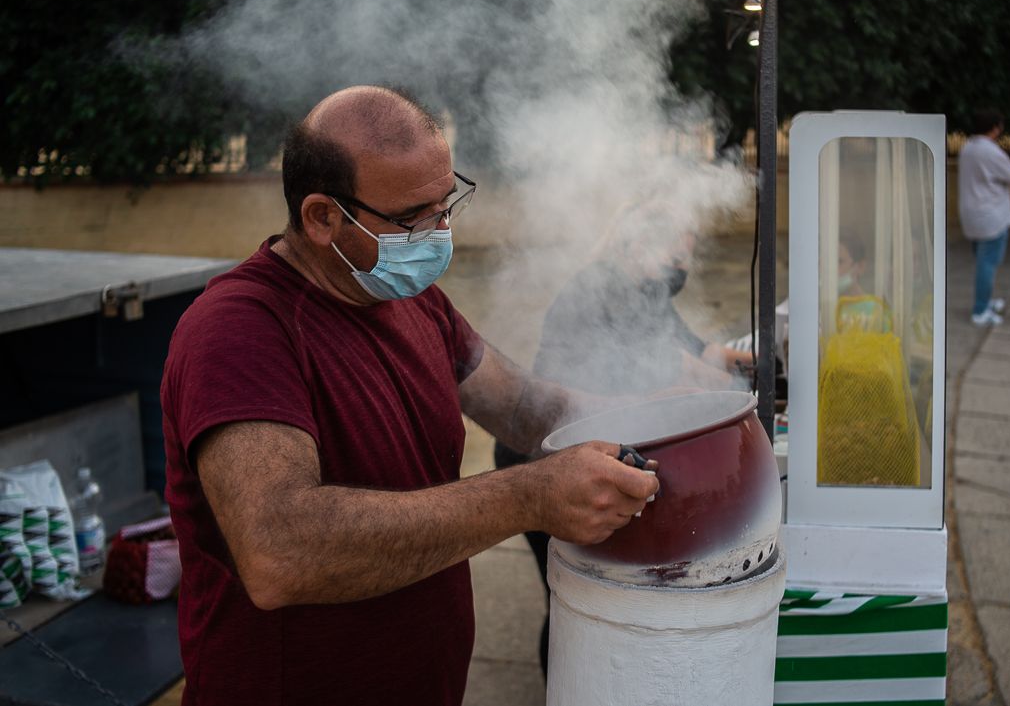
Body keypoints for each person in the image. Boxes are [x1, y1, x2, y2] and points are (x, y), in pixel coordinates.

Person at [159, 85, 660, 706]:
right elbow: (279, 550)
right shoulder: (237, 331)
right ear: (321, 217)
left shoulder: (410, 299)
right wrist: (527, 497)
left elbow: (521, 405)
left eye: (447, 204)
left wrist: (662, 420)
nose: (440, 231)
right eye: (414, 218)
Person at [492, 199, 752, 673]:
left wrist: (754, 359)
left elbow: (703, 351)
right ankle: (564, 687)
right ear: (639, 245)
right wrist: (741, 388)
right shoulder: (606, 288)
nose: (682, 267)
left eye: (688, 257)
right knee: (570, 594)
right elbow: (691, 371)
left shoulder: (646, 289)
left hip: (580, 449)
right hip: (537, 457)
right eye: (676, 255)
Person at [957, 108, 1010, 326]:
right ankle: (980, 310)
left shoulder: (967, 148)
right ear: (995, 128)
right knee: (988, 264)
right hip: (991, 215)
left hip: (971, 214)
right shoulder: (991, 151)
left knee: (983, 261)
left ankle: (986, 300)